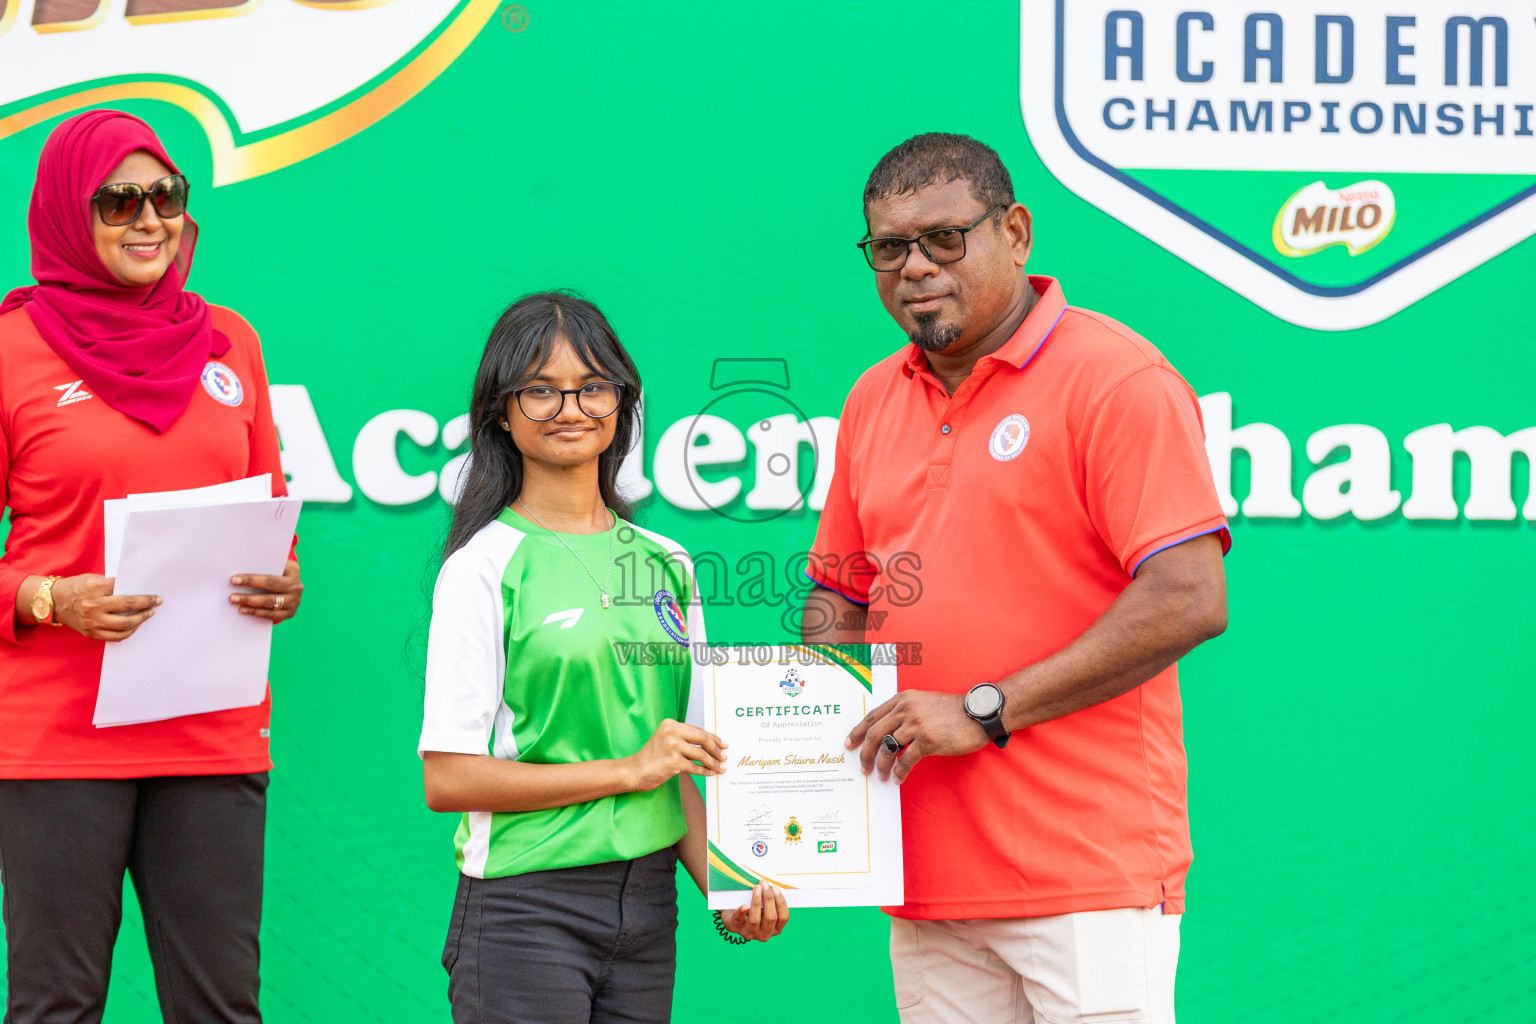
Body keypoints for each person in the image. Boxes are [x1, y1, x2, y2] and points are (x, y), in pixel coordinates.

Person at [801, 133, 1230, 1023]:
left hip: (1087, 875)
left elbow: (1189, 595)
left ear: (1018, 233)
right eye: (890, 248)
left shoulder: (1116, 378)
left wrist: (981, 708)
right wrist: (808, 733)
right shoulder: (872, 398)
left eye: (944, 238)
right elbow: (838, 594)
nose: (915, 267)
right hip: (925, 876)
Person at [0, 110, 302, 1023]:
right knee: (57, 1007)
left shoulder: (229, 341)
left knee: (221, 1010)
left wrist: (282, 579)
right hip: (57, 741)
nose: (147, 219)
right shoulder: (10, 351)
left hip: (208, 730)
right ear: (65, 214)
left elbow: (268, 516)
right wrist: (50, 598)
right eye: (117, 200)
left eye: (164, 196)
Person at [418, 291, 787, 1024]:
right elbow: (449, 776)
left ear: (621, 402)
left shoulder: (669, 563)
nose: (571, 408)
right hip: (527, 908)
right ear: (500, 410)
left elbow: (675, 765)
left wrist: (730, 887)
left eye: (592, 386)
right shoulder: (483, 566)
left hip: (647, 911)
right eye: (541, 390)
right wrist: (627, 771)